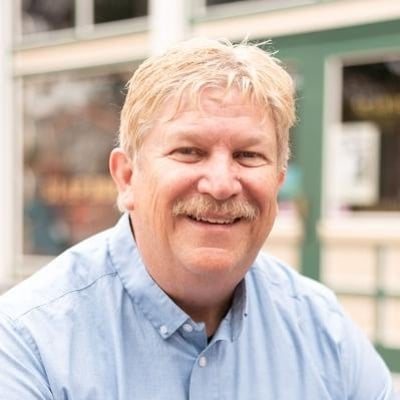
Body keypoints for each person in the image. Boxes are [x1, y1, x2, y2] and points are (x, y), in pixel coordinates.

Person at [0, 38, 398, 400]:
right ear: (127, 177)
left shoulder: (324, 331)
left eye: (248, 155)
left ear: (277, 184)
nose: (221, 185)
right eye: (189, 152)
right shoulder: (28, 342)